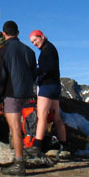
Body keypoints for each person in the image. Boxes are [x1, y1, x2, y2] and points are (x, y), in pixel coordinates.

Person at [0, 20, 37, 176]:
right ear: (18, 33)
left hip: (12, 94)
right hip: (28, 94)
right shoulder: (29, 51)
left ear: (3, 34)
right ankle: (30, 155)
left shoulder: (2, 51)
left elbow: (0, 78)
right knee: (28, 126)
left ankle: (19, 163)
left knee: (15, 128)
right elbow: (34, 74)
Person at [27, 29, 68, 157]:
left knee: (42, 115)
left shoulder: (47, 50)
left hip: (47, 86)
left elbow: (47, 68)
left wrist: (37, 75)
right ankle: (64, 145)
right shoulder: (50, 48)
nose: (34, 43)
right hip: (55, 86)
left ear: (42, 36)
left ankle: (37, 146)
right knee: (56, 117)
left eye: (35, 40)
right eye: (32, 42)